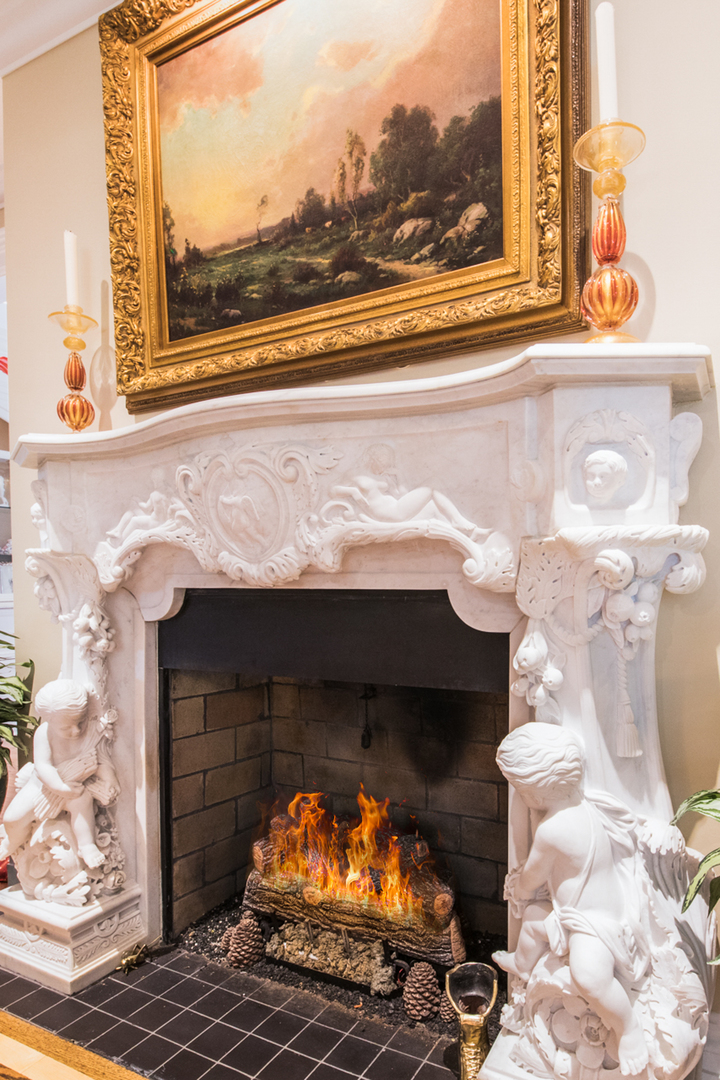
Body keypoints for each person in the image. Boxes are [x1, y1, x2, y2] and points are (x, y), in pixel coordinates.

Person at [493, 723, 649, 1077]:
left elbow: (532, 876)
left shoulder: (553, 830)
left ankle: (629, 1028)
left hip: (595, 924)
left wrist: (516, 888)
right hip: (572, 912)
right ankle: (521, 961)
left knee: (589, 976)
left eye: (521, 789)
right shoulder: (585, 805)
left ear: (536, 793)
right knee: (534, 921)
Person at [0, 680, 119, 870]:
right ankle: (11, 841)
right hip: (43, 786)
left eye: (80, 722)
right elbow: (43, 767)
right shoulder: (44, 734)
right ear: (49, 720)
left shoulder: (90, 732)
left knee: (83, 804)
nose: (76, 730)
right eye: (66, 728)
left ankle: (86, 846)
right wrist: (60, 788)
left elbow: (100, 760)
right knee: (12, 818)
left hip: (76, 787)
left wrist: (110, 781)